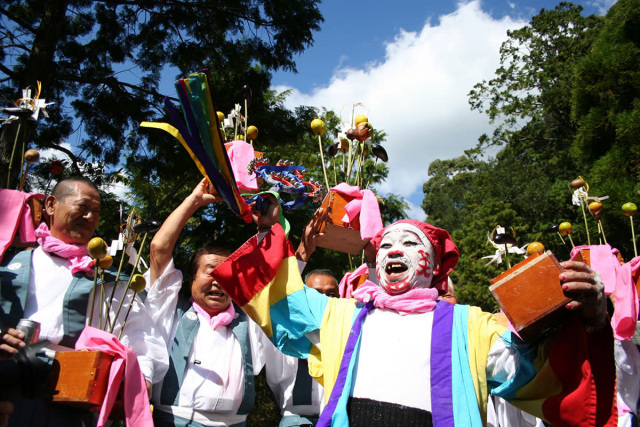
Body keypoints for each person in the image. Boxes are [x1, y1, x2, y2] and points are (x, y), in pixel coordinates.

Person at [211, 209, 616, 427]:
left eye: (409, 242)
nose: (393, 250)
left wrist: (589, 315)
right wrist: (269, 229)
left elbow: (540, 370)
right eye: (385, 244)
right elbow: (278, 296)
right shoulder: (340, 315)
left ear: (435, 265)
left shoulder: (471, 327)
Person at [0, 176, 168, 426]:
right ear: (50, 205)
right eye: (82, 207)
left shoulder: (109, 278)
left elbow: (141, 339)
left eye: (96, 212)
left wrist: (138, 379)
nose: (90, 217)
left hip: (71, 399)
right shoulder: (10, 266)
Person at [145, 178, 272, 427]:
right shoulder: (170, 310)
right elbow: (159, 248)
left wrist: (267, 228)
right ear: (191, 279)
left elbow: (272, 270)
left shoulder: (250, 318)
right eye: (211, 271)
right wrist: (194, 201)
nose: (218, 280)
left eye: (226, 274)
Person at [265, 269, 339, 427]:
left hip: (334, 419)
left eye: (331, 294)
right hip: (294, 420)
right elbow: (277, 295)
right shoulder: (286, 331)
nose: (323, 300)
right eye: (316, 294)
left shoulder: (345, 333)